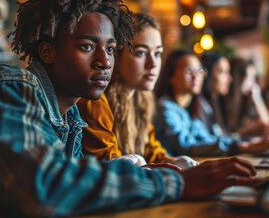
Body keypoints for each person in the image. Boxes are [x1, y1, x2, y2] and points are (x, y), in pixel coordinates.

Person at [0, 0, 260, 216]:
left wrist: (157, 171)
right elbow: (42, 185)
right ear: (48, 51)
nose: (105, 61)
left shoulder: (72, 118)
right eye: (88, 47)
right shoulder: (12, 85)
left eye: (111, 49)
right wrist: (177, 182)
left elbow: (74, 181)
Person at [77, 13, 197, 169]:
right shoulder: (96, 100)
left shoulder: (142, 99)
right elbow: (108, 161)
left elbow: (153, 153)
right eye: (141, 52)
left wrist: (173, 161)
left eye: (158, 53)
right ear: (116, 56)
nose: (153, 63)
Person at [154, 50, 269, 157]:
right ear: (170, 76)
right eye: (189, 71)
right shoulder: (165, 107)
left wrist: (246, 143)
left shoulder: (185, 110)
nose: (196, 76)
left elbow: (209, 139)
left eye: (199, 71)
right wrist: (243, 145)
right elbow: (185, 146)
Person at [227, 57, 269, 138]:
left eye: (254, 77)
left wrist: (257, 98)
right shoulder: (224, 101)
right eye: (250, 77)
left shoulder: (244, 99)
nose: (253, 82)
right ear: (238, 78)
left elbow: (268, 126)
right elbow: (227, 136)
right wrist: (241, 133)